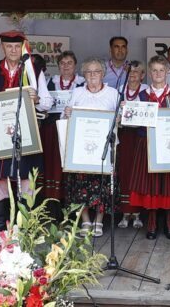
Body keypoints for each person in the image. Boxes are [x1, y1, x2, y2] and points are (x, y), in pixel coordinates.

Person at [0, 30, 54, 235]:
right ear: (2, 47)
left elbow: (48, 102)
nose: (13, 50)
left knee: (26, 180)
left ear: (22, 48)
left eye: (16, 47)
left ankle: (24, 226)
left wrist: (36, 98)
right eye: (8, 46)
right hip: (0, 136)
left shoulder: (33, 69)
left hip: (27, 134)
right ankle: (0, 227)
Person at [128, 55, 170, 240]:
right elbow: (132, 123)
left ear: (167, 72)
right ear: (150, 73)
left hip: (169, 146)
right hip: (147, 145)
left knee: (169, 185)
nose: (158, 74)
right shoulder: (142, 94)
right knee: (151, 185)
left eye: (161, 70)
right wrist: (128, 112)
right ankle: (151, 224)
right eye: (154, 70)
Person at [63, 58, 120, 237]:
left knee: (103, 184)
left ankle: (99, 221)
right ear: (84, 75)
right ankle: (86, 220)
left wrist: (119, 118)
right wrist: (68, 112)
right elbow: (68, 118)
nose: (93, 75)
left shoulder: (113, 93)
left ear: (103, 74)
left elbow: (122, 119)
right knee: (79, 185)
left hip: (105, 148)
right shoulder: (78, 92)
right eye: (89, 72)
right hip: (80, 149)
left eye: (96, 71)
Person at [39, 51, 84, 201]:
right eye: (62, 63)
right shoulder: (49, 81)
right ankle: (52, 202)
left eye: (69, 63)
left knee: (70, 164)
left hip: (73, 130)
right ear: (58, 66)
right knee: (53, 164)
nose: (66, 66)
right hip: (52, 128)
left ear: (75, 65)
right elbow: (41, 103)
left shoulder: (82, 83)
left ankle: (71, 201)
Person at [117, 60, 148, 229]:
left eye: (137, 72)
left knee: (138, 174)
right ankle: (124, 212)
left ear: (143, 75)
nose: (133, 75)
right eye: (130, 72)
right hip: (124, 136)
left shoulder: (146, 92)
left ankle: (137, 214)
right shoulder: (119, 90)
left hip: (140, 137)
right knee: (125, 172)